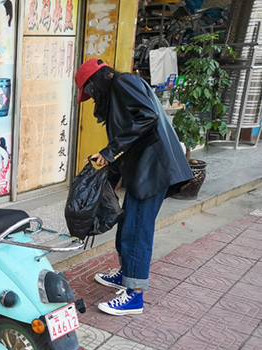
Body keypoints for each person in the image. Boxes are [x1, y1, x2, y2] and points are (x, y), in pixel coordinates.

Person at [74, 58, 193, 316]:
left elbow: (147, 117)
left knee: (137, 230)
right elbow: (127, 138)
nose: (92, 99)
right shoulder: (118, 93)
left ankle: (134, 295)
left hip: (153, 171)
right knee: (127, 224)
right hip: (142, 171)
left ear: (96, 83)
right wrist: (111, 173)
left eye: (90, 93)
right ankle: (125, 275)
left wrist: (109, 152)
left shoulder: (124, 82)